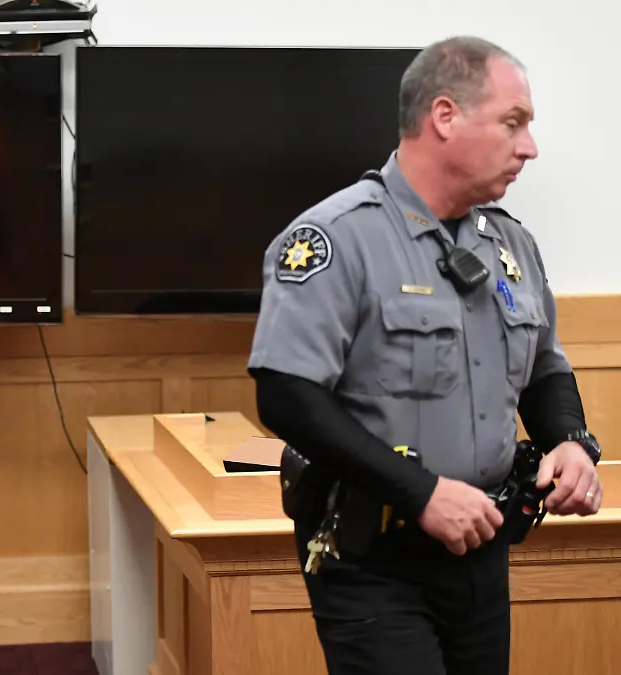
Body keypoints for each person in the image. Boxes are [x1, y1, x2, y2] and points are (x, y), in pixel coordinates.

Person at [247, 36, 602, 675]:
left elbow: (544, 367)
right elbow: (285, 394)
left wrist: (572, 442)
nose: (530, 147)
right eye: (513, 123)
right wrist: (421, 493)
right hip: (374, 559)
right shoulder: (336, 238)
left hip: (484, 548)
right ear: (445, 116)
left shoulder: (511, 245)